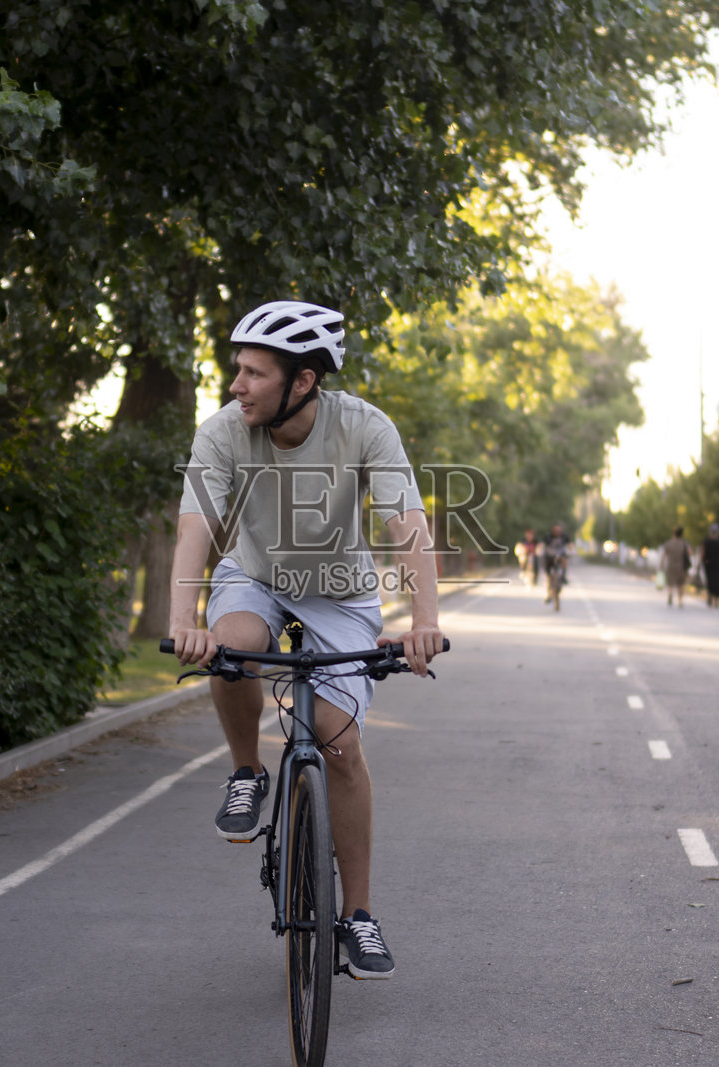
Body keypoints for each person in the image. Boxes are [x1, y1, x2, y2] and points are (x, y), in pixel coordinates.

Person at [168, 299, 444, 981]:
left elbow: (406, 525)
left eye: (255, 373)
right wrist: (184, 621)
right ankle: (247, 770)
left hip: (341, 591)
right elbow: (195, 527)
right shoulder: (225, 431)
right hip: (255, 574)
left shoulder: (365, 428)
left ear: (304, 381)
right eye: (240, 370)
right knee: (233, 649)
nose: (238, 385)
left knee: (339, 743)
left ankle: (359, 914)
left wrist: (425, 620)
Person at [659, 526, 691, 608]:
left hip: (670, 566)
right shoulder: (684, 543)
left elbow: (663, 556)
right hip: (681, 567)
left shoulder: (668, 543)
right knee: (681, 584)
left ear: (674, 533)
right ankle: (680, 601)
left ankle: (670, 595)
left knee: (670, 583)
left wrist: (661, 565)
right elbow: (690, 553)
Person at [540, 522, 571, 604]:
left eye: (559, 530)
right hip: (550, 557)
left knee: (565, 559)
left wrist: (571, 550)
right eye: (556, 530)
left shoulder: (564, 536)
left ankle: (563, 576)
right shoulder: (548, 536)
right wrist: (540, 550)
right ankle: (549, 594)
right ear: (553, 530)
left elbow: (570, 545)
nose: (557, 532)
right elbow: (542, 545)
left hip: (560, 556)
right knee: (549, 577)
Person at [699, 522, 719, 607]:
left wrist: (699, 562)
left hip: (708, 563)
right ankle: (716, 600)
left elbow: (702, 553)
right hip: (718, 564)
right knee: (717, 581)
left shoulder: (706, 541)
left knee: (709, 580)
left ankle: (709, 596)